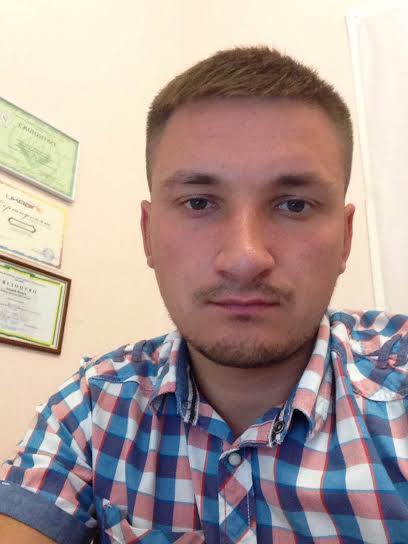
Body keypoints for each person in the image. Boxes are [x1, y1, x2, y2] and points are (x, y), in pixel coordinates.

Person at [0, 45, 407, 544]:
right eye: (198, 202)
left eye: (294, 205)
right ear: (148, 234)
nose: (244, 257)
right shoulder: (91, 404)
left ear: (345, 238)